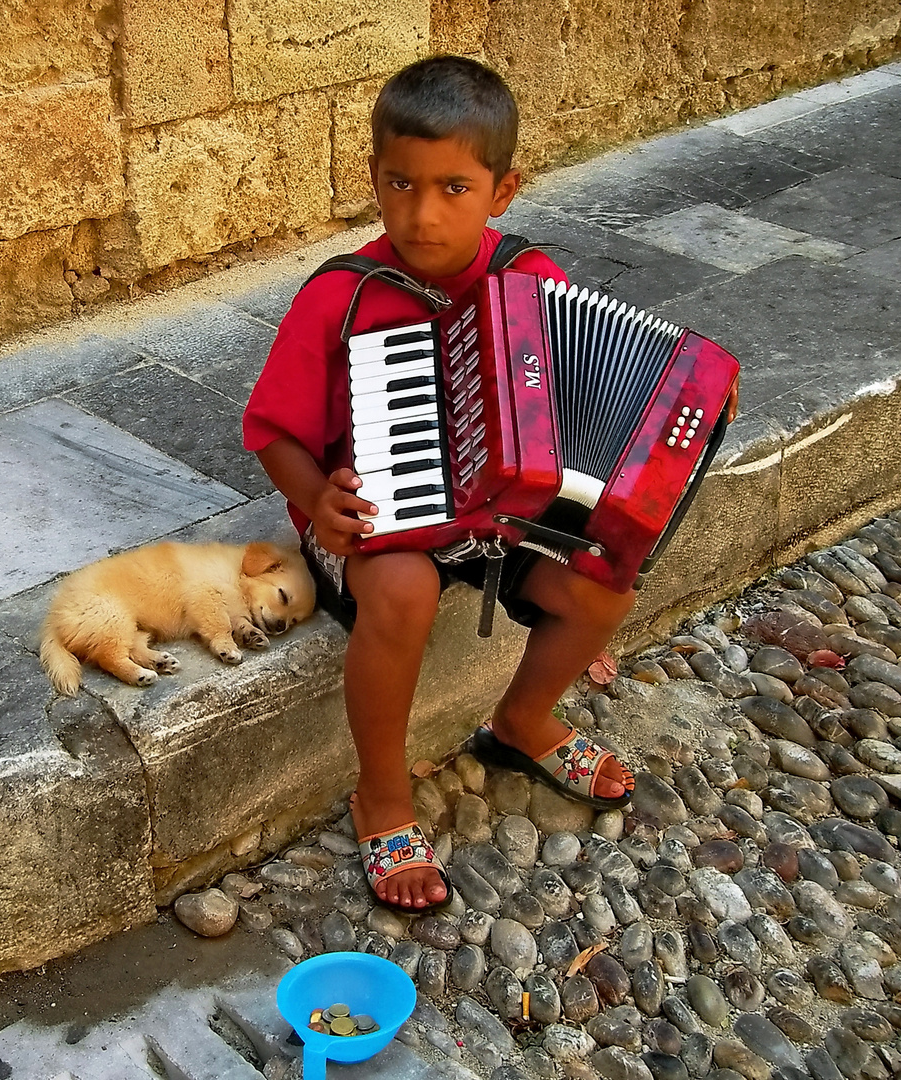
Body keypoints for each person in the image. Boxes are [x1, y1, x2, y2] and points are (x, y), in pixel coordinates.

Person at [244, 56, 729, 911]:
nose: (423, 214)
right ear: (374, 178)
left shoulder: (530, 281)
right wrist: (318, 500)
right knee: (400, 588)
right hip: (371, 520)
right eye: (401, 184)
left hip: (501, 524)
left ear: (503, 191)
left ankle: (523, 720)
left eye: (454, 189)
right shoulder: (340, 297)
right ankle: (383, 795)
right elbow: (273, 430)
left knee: (603, 585)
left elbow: (576, 401)